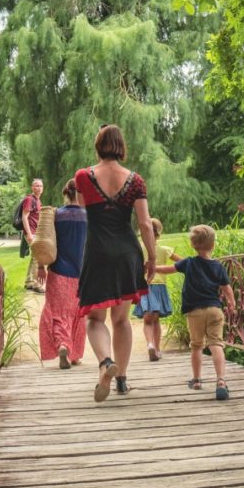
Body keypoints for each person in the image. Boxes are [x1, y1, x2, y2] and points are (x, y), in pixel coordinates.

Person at [75, 124, 160, 402]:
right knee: (121, 320)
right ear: (121, 146)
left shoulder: (83, 177)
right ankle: (122, 379)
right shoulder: (135, 180)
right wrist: (152, 256)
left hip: (98, 252)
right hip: (127, 253)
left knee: (95, 318)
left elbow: (83, 210)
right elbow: (145, 223)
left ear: (97, 146)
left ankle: (104, 363)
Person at [154, 224, 236, 400]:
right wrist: (232, 302)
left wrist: (152, 268)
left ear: (193, 245)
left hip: (194, 312)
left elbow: (168, 270)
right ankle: (221, 380)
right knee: (216, 344)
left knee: (196, 346)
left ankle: (197, 380)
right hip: (215, 310)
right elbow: (227, 288)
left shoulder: (188, 262)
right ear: (212, 245)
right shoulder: (218, 267)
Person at [38, 180, 88, 369]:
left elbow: (42, 241)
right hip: (82, 273)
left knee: (57, 312)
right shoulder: (88, 216)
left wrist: (41, 266)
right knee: (78, 313)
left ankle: (62, 345)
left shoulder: (55, 215)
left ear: (65, 193)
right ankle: (74, 355)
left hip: (58, 271)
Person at [132, 217, 175, 361]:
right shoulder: (164, 250)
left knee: (147, 320)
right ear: (159, 233)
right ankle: (157, 348)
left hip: (144, 287)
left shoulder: (138, 249)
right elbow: (182, 262)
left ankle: (149, 344)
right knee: (156, 320)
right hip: (159, 288)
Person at [17, 178, 46, 292]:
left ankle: (29, 282)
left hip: (36, 232)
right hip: (31, 232)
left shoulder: (38, 201)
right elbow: (25, 217)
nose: (39, 188)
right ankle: (35, 284)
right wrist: (29, 234)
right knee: (37, 257)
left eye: (41, 186)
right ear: (32, 187)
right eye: (37, 186)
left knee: (34, 257)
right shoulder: (29, 199)